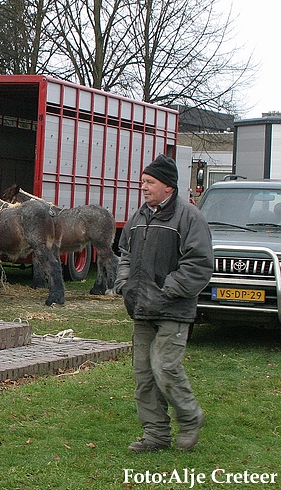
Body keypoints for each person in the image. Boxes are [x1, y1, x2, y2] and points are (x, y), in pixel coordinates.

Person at [114, 154, 213, 453]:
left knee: (165, 368)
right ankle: (156, 435)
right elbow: (125, 253)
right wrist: (124, 283)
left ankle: (190, 416)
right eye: (143, 181)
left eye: (150, 182)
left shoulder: (189, 217)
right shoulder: (139, 216)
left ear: (168, 186)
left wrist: (167, 289)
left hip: (173, 309)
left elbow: (199, 265)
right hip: (142, 309)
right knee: (144, 375)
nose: (143, 187)